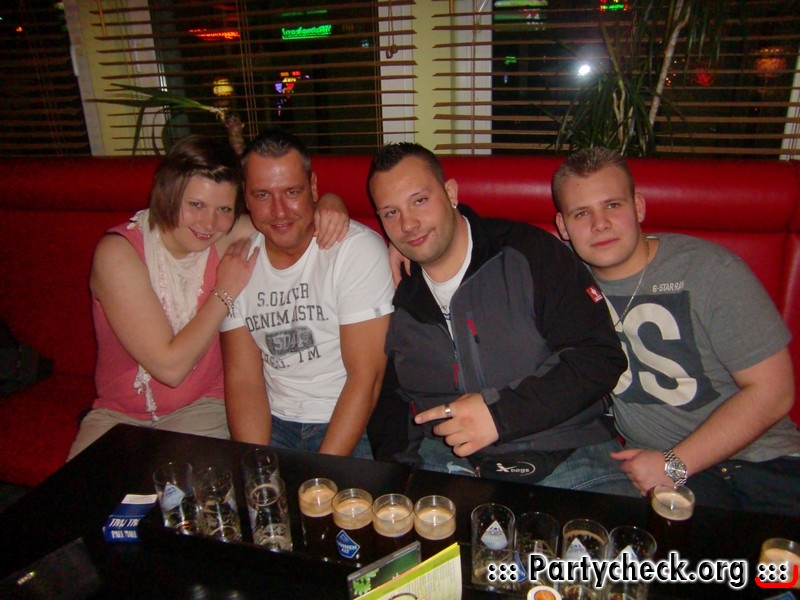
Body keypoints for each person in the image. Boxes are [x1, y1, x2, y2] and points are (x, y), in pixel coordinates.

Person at [552, 146, 800, 515]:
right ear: (563, 226)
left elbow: (774, 392)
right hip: (677, 483)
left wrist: (673, 463)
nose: (599, 224)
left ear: (638, 207)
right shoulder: (562, 286)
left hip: (766, 463)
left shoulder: (709, 270)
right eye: (582, 213)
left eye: (613, 205)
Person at [69, 135, 349, 459]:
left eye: (224, 209)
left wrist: (330, 202)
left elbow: (288, 223)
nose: (209, 223)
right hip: (118, 414)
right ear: (168, 192)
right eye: (196, 205)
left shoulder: (221, 237)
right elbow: (170, 368)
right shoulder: (119, 253)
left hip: (202, 406)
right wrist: (225, 292)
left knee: (198, 489)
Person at [366, 142, 627, 487]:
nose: (408, 224)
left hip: (567, 455)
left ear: (450, 193)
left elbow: (599, 357)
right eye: (391, 213)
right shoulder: (398, 290)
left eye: (419, 201)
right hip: (450, 462)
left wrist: (499, 416)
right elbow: (392, 399)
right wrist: (401, 476)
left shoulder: (529, 253)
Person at [220, 129, 394, 458]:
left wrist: (322, 473)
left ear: (313, 187)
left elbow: (365, 379)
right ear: (246, 196)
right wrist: (257, 465)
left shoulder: (354, 251)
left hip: (346, 418)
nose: (279, 211)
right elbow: (243, 380)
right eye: (262, 195)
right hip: (272, 418)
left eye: (291, 192)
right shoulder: (237, 265)